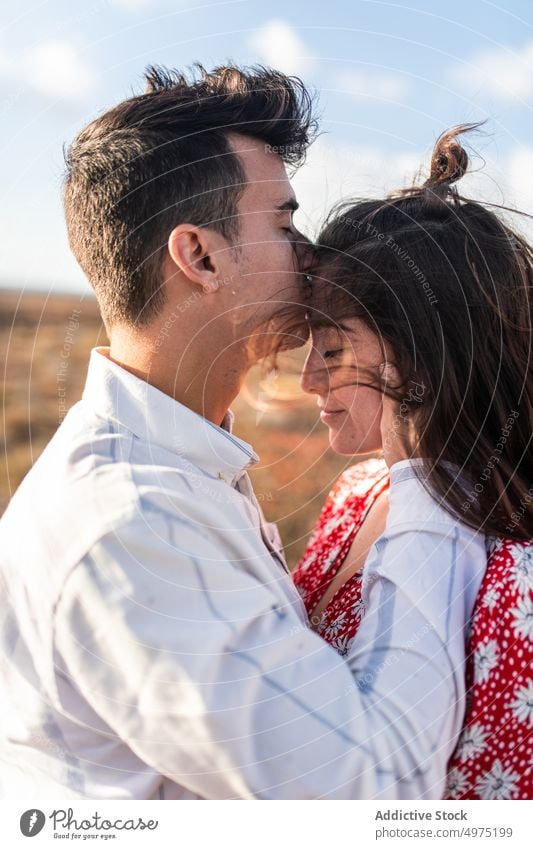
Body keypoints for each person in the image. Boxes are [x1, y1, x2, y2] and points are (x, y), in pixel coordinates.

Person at [0, 70, 486, 800]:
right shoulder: (133, 528)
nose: (312, 256)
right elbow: (372, 786)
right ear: (199, 256)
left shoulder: (183, 466)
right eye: (285, 226)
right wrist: (422, 465)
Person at [292, 125, 533, 799]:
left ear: (418, 353)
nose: (307, 378)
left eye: (333, 349)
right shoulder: (355, 492)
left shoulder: (512, 586)